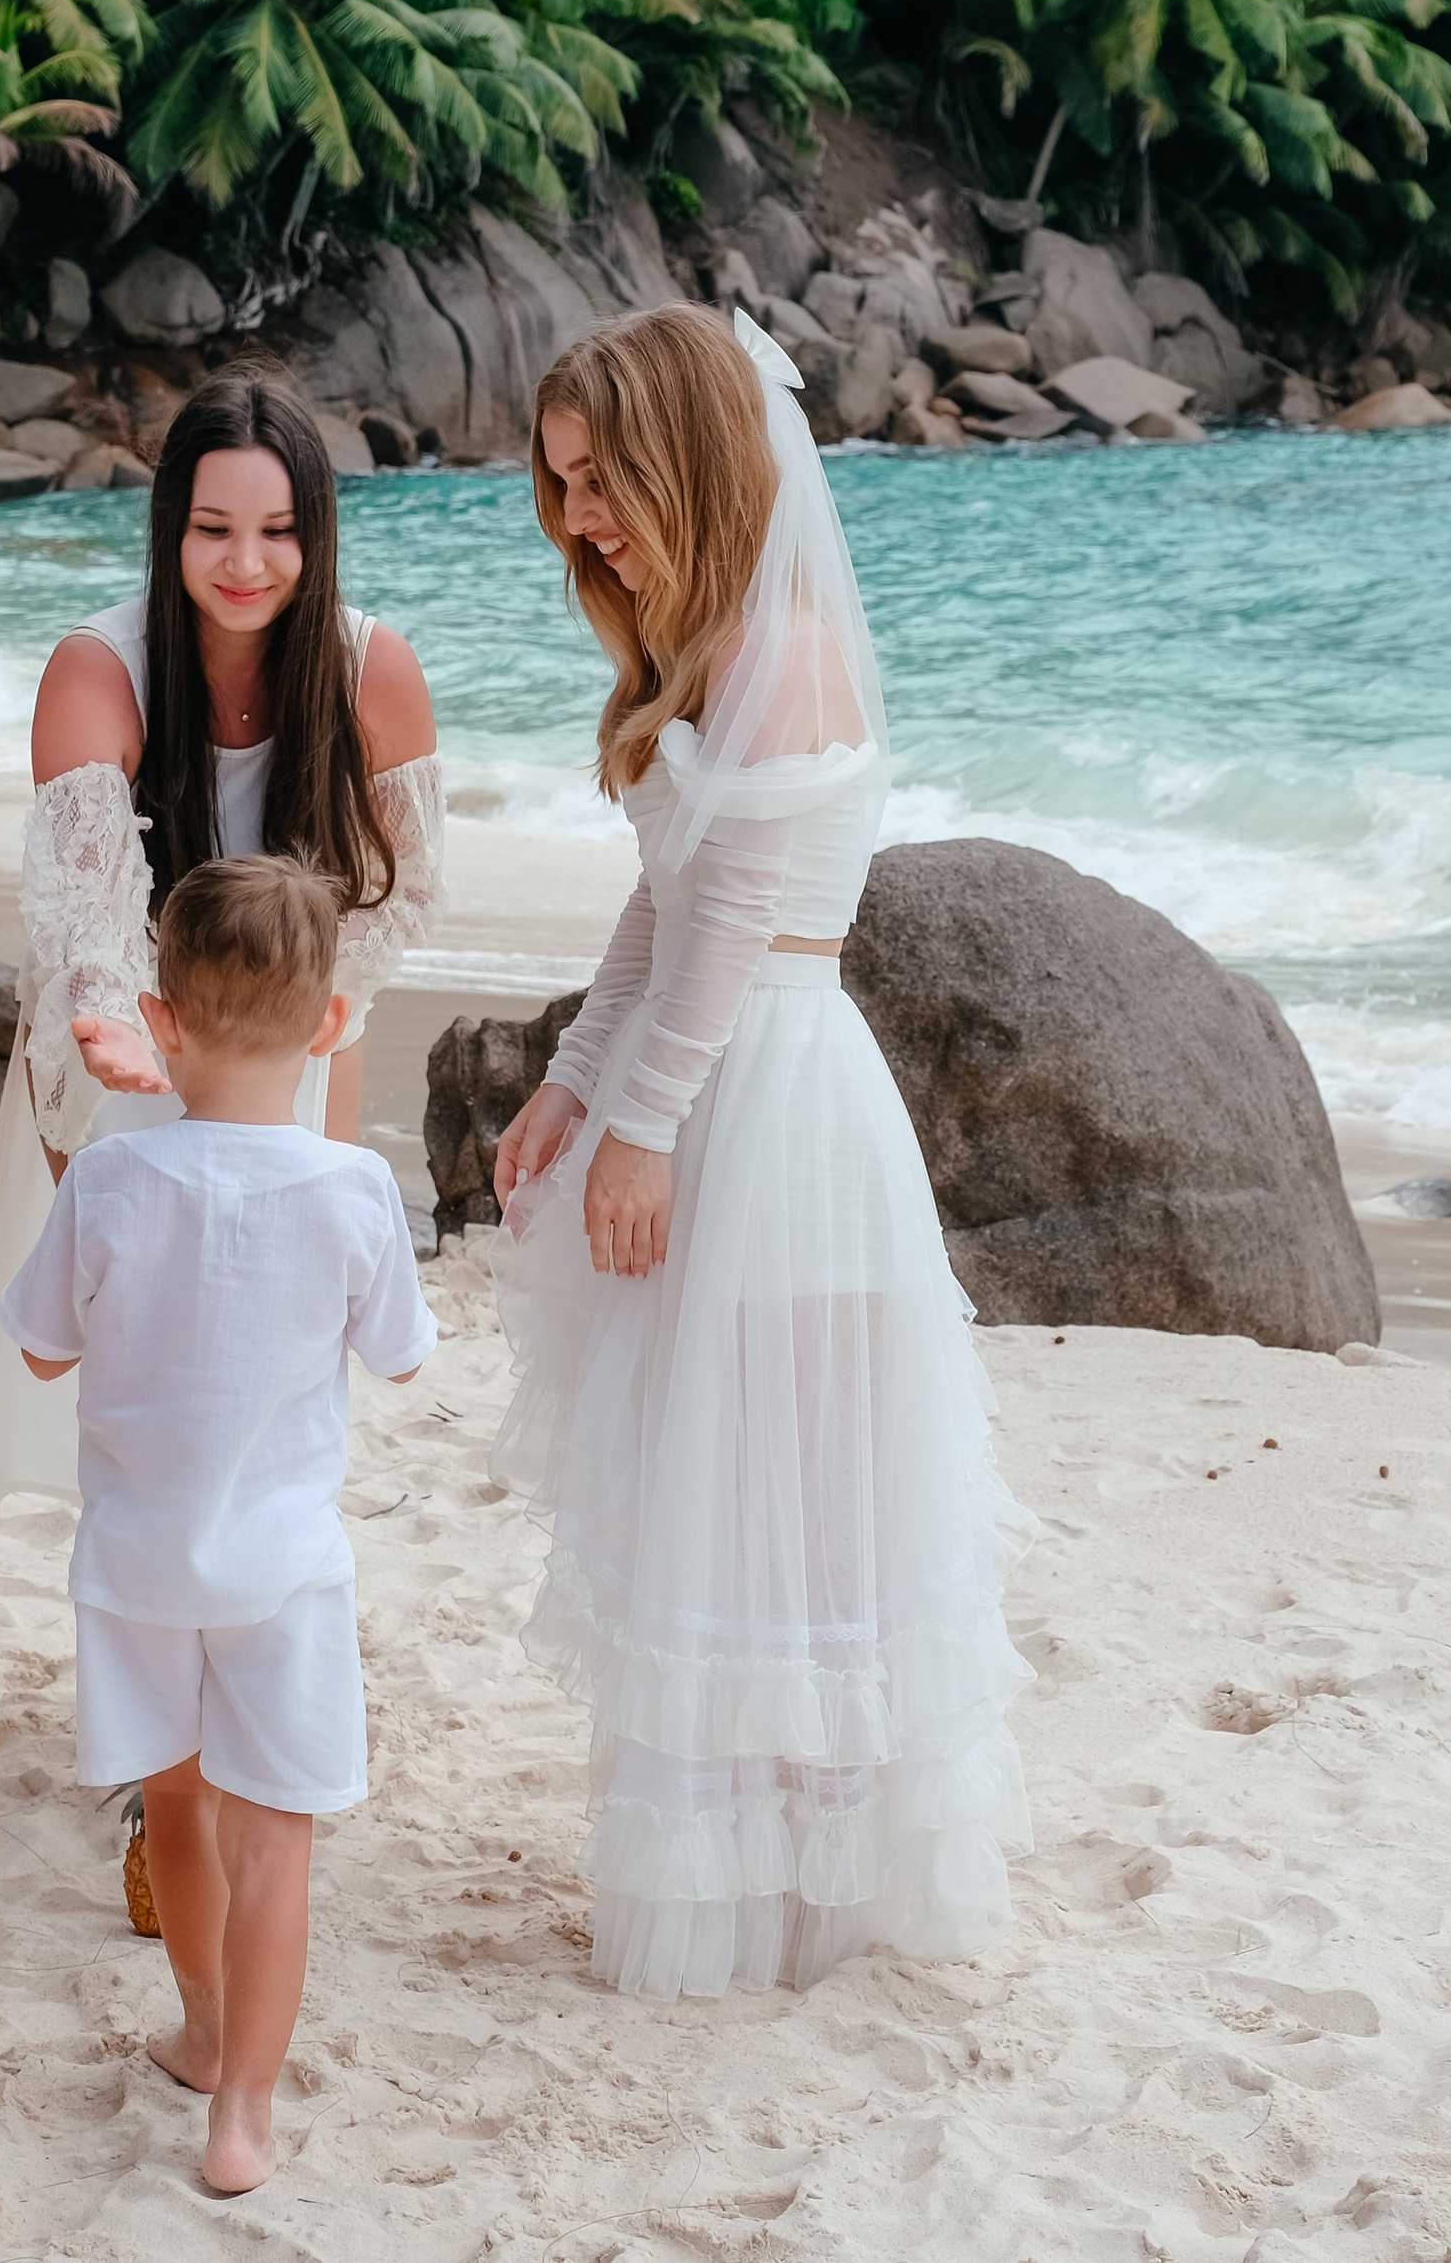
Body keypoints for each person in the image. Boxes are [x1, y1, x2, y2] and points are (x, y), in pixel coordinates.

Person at [488, 305, 1034, 2001]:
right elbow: (663, 894)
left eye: (604, 478)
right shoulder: (694, 642)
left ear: (691, 457)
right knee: (713, 1489)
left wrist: (642, 1122)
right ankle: (745, 1860)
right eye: (564, 484)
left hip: (781, 1095)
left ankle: (819, 1875)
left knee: (796, 1485)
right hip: (713, 1067)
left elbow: (733, 913)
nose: (583, 518)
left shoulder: (779, 647)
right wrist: (577, 1075)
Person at [0, 855, 436, 2195]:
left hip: (137, 1564)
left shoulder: (115, 1184)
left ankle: (196, 2023)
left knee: (176, 1809)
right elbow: (402, 1355)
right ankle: (243, 2109)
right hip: (284, 1572)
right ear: (324, 1027)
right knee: (276, 1838)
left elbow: (37, 1352)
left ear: (162, 1016)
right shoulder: (353, 1190)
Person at [0, 371, 444, 1514]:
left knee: (283, 1333)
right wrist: (134, 1037)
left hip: (301, 1022)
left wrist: (289, 1043)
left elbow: (395, 901)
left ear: (315, 533)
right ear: (170, 525)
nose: (246, 562)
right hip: (126, 1022)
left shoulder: (370, 663)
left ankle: (262, 1564)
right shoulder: (101, 665)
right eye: (214, 528)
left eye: (279, 531)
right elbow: (88, 921)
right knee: (134, 1328)